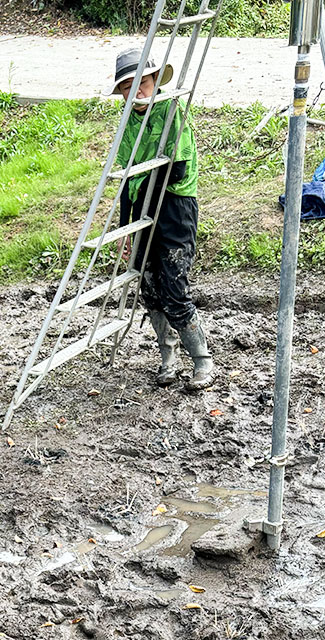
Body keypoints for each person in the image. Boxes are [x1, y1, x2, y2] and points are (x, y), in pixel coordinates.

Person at [112, 47, 216, 390]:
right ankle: (168, 359)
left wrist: (147, 203)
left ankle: (202, 362)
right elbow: (129, 178)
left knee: (174, 286)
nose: (137, 91)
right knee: (150, 286)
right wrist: (126, 229)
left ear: (155, 80)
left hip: (173, 206)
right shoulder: (129, 123)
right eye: (128, 86)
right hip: (142, 207)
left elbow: (178, 168)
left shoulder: (173, 111)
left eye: (143, 81)